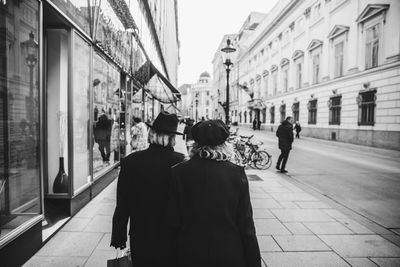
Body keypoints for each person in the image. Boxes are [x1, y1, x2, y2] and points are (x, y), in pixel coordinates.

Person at [166, 120, 261, 267]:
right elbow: (246, 223)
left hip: (190, 252)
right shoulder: (236, 173)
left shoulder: (178, 172)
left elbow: (173, 220)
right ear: (224, 145)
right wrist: (254, 262)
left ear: (196, 144)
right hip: (229, 253)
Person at [111, 111, 185, 267]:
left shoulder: (131, 161)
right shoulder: (181, 163)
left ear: (151, 133)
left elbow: (122, 203)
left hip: (141, 234)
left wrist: (119, 236)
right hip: (172, 236)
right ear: (172, 138)